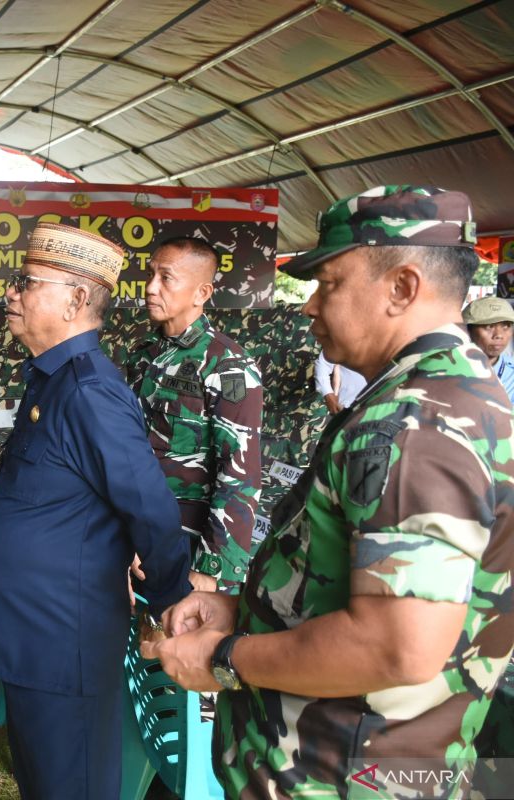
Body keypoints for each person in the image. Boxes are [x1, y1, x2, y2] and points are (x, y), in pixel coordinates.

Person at [143, 185, 514, 798]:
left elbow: (397, 645)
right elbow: (366, 591)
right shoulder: (455, 398)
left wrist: (226, 656)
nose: (309, 307)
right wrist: (248, 610)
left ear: (402, 288)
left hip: (334, 774)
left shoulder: (419, 426)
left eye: (330, 284)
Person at [0, 222, 192, 799]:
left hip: (63, 641)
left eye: (27, 282)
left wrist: (168, 600)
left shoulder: (89, 391)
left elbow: (153, 512)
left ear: (75, 300)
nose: (11, 294)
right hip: (34, 637)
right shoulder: (53, 381)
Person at [119, 236, 263, 591]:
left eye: (166, 278)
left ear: (201, 293)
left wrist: (211, 571)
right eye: (150, 274)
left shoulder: (227, 365)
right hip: (134, 532)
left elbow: (239, 472)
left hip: (189, 541)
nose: (151, 288)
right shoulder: (143, 354)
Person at [462, 295, 514, 402]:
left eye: (506, 326)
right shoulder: (447, 369)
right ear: (468, 330)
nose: (499, 335)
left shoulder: (511, 372)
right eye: (489, 326)